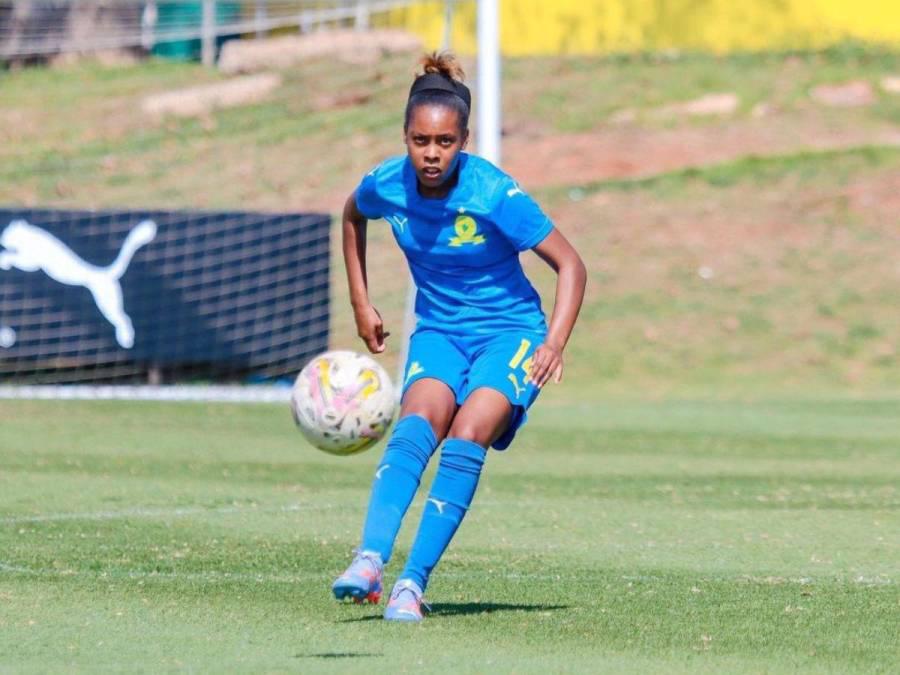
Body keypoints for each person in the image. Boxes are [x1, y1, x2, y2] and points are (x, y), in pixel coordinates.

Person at [333, 51, 586, 622]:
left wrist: (554, 343)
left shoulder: (492, 193)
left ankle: (411, 585)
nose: (432, 153)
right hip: (439, 332)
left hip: (511, 335)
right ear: (405, 137)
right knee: (417, 422)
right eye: (420, 141)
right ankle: (369, 560)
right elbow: (352, 214)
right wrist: (360, 302)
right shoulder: (387, 184)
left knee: (467, 431)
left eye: (445, 142)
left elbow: (571, 265)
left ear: (464, 142)